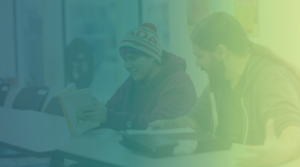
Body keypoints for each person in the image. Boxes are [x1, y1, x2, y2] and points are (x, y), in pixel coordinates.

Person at [148, 12, 300, 167]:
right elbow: (195, 120)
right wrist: (168, 125)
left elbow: (292, 129)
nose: (197, 63)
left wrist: (281, 150)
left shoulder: (271, 77)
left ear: (221, 52)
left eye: (200, 56)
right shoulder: (219, 82)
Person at [81, 23, 197, 131]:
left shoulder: (179, 81)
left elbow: (159, 126)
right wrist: (93, 113)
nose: (127, 66)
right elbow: (111, 109)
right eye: (125, 60)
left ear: (152, 56)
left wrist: (109, 118)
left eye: (133, 58)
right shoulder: (136, 78)